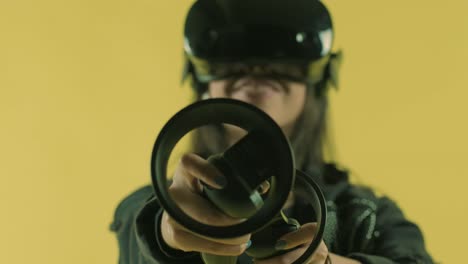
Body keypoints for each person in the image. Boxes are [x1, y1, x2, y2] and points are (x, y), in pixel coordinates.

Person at [110, 0, 434, 263]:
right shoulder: (146, 205)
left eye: (281, 67)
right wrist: (165, 230)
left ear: (313, 85)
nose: (255, 78)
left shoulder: (366, 214)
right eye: (232, 66)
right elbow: (136, 232)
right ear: (204, 85)